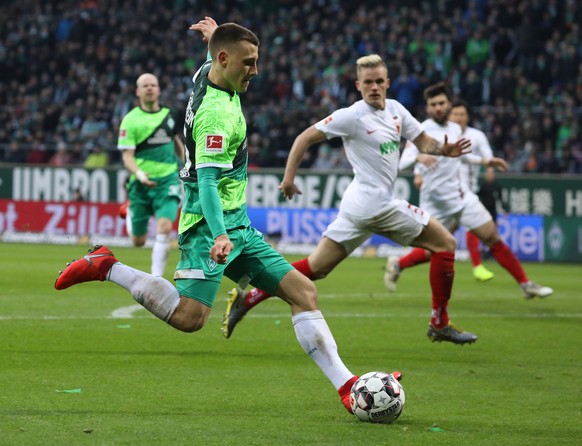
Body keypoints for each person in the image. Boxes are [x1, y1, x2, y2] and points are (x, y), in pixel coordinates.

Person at [55, 17, 369, 415]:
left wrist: (214, 37)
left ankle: (348, 386)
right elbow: (207, 182)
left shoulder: (209, 72)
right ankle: (107, 266)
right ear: (225, 59)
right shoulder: (216, 116)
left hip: (237, 221)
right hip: (209, 225)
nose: (255, 71)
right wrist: (220, 235)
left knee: (303, 291)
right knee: (189, 318)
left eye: (255, 61)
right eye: (248, 63)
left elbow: (214, 58)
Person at [222, 54, 480, 345]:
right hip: (375, 204)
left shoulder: (396, 110)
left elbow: (424, 143)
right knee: (445, 243)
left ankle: (249, 298)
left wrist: (444, 150)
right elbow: (304, 138)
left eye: (379, 81)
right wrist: (288, 179)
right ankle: (439, 322)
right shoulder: (352, 116)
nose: (374, 87)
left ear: (387, 83)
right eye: (368, 82)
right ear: (358, 85)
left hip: (358, 206)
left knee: (317, 267)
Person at [384, 83, 553, 300]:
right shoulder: (421, 131)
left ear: (449, 104)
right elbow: (402, 163)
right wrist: (418, 156)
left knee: (493, 238)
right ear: (427, 108)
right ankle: (402, 269)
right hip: (435, 205)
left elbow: (460, 155)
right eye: (433, 104)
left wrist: (485, 161)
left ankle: (526, 284)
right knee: (432, 251)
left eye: (441, 103)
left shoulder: (455, 129)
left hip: (462, 199)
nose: (437, 108)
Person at [117, 72, 185, 277]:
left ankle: (156, 279)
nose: (149, 88)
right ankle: (130, 210)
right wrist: (138, 174)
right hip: (141, 183)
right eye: (145, 85)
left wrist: (185, 165)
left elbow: (176, 142)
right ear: (137, 91)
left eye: (153, 85)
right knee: (138, 241)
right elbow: (127, 156)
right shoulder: (130, 120)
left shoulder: (170, 115)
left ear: (158, 90)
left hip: (168, 181)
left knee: (164, 227)